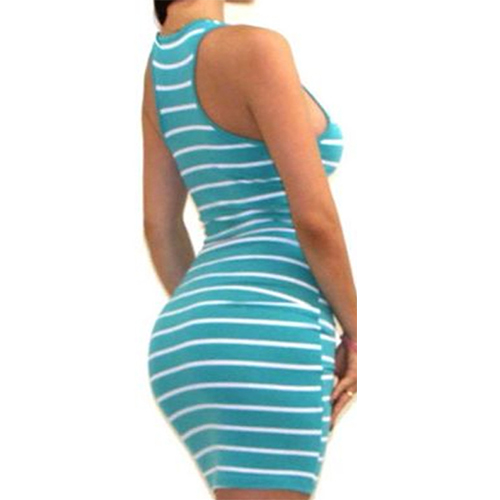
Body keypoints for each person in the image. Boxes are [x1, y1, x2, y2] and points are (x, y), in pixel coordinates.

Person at [142, 1, 357, 499]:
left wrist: (214, 316)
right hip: (272, 328)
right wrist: (360, 335)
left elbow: (159, 226)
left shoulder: (159, 73)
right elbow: (315, 220)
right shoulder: (257, 49)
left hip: (185, 338)